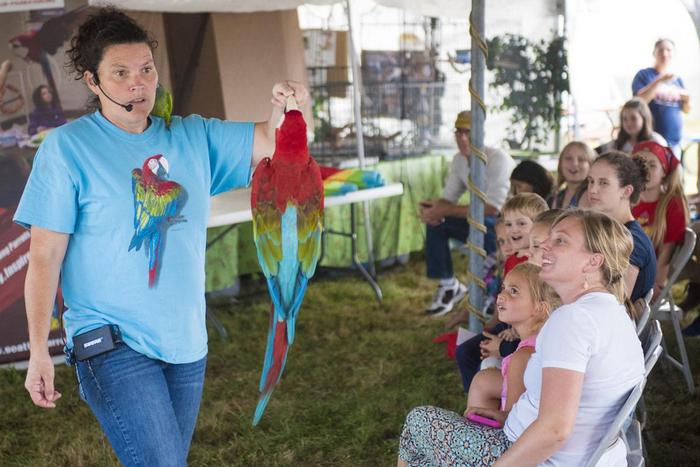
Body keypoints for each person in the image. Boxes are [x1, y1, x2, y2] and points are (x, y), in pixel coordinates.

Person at [14, 8, 309, 466]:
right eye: (121, 72)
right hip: (110, 340)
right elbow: (45, 256)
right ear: (93, 82)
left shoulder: (193, 136)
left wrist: (287, 104)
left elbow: (272, 142)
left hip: (186, 341)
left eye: (146, 69)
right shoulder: (67, 148)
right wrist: (38, 351)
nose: (139, 83)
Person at [398, 209, 645, 466]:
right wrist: (510, 416)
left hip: (541, 459)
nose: (545, 245)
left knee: (419, 422)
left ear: (593, 262)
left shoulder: (573, 321)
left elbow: (555, 430)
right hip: (574, 453)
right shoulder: (612, 312)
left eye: (560, 240)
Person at [420, 110, 515, 316]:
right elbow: (449, 198)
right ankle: (448, 285)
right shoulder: (459, 160)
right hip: (483, 222)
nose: (462, 138)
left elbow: (493, 208)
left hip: (510, 227)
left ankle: (491, 294)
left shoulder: (498, 159)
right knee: (437, 222)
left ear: (480, 133)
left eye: (467, 132)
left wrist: (445, 209)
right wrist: (434, 209)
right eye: (458, 132)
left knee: (484, 226)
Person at [455, 193, 548, 392]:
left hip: (525, 329)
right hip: (509, 323)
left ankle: (492, 398)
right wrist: (495, 323)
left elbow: (537, 310)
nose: (513, 230)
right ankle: (477, 398)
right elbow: (504, 297)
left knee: (474, 353)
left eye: (521, 223)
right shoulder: (512, 259)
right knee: (465, 350)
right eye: (508, 224)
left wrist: (512, 331)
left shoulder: (535, 266)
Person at [466, 263, 559, 416]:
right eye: (503, 288)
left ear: (539, 308)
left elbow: (512, 420)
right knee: (484, 379)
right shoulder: (541, 341)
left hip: (515, 437)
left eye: (513, 291)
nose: (501, 295)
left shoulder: (523, 357)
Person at [586, 151, 656, 302]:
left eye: (603, 183)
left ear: (626, 191)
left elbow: (616, 303)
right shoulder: (606, 231)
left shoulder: (633, 241)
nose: (592, 189)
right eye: (591, 181)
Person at [631, 141, 689, 302]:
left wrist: (657, 284)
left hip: (646, 279)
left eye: (652, 165)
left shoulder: (672, 204)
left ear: (664, 171)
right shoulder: (626, 200)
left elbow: (667, 253)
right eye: (640, 164)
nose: (645, 170)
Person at [632, 38, 690, 156]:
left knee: (674, 175)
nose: (664, 53)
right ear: (654, 53)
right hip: (650, 141)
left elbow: (686, 110)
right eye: (661, 50)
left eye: (668, 50)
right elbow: (639, 102)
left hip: (674, 142)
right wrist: (660, 80)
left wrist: (687, 101)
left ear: (673, 54)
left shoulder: (677, 79)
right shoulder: (644, 75)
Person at [598, 98, 666, 154]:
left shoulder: (656, 141)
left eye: (634, 118)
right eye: (625, 119)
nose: (629, 123)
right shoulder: (617, 144)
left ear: (644, 118)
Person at [549, 142, 595, 209]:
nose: (574, 163)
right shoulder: (556, 197)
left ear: (591, 164)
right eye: (568, 158)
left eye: (581, 159)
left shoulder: (594, 196)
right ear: (560, 164)